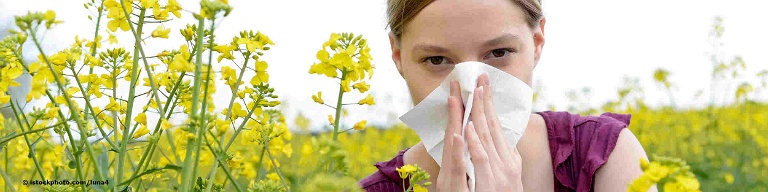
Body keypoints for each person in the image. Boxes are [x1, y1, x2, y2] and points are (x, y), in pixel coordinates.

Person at [359, 0, 653, 191]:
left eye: (499, 53)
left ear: (537, 43)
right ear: (398, 57)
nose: (471, 91)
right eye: (436, 60)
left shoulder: (604, 156)